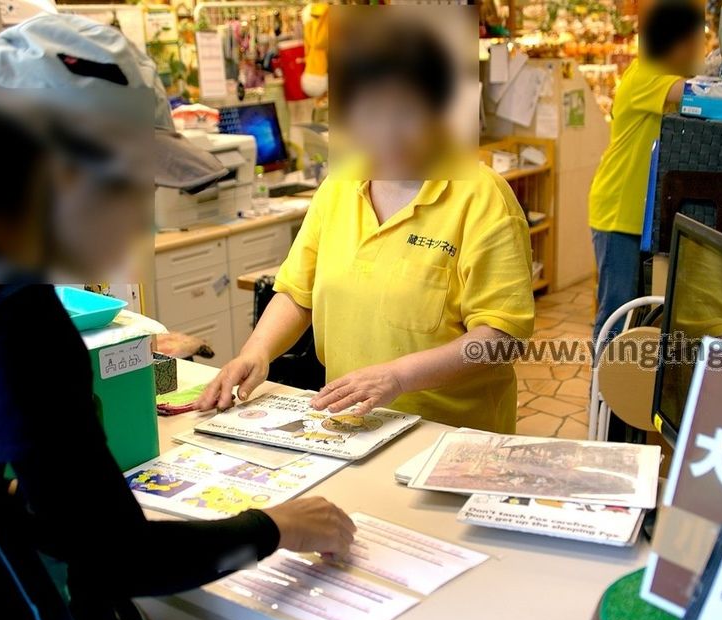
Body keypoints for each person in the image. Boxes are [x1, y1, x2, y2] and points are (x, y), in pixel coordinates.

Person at [0, 15, 354, 620]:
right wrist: (275, 526)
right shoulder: (7, 309)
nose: (144, 218)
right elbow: (117, 555)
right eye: (137, 187)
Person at [197, 18, 535, 433]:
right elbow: (297, 293)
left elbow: (502, 339)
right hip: (350, 426)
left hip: (451, 435)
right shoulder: (340, 185)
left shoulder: (482, 198)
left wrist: (399, 376)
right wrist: (256, 352)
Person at [587, 1, 704, 342]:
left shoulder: (660, 74)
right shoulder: (646, 75)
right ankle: (600, 393)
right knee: (616, 312)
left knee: (635, 313)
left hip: (638, 213)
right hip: (617, 211)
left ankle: (620, 389)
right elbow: (693, 94)